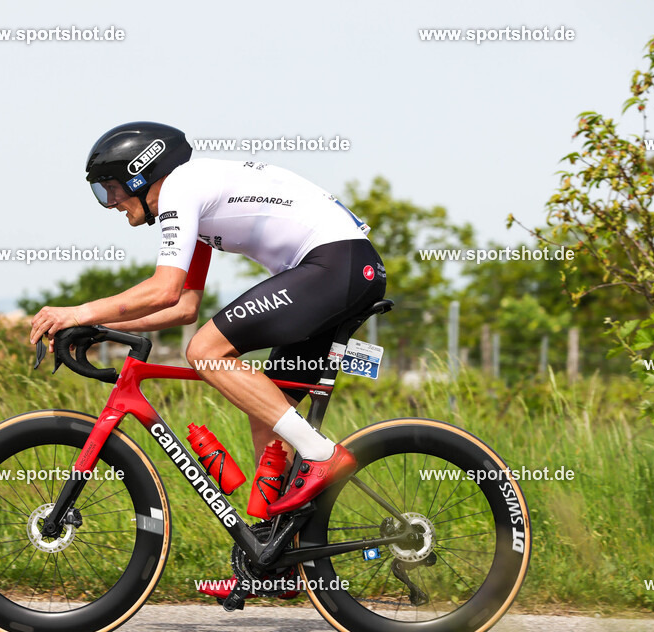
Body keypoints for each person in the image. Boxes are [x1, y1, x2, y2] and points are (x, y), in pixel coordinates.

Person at [29, 121, 386, 518]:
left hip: (335, 267)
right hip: (339, 270)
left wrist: (77, 312)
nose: (110, 202)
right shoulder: (193, 193)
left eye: (110, 188)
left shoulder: (181, 187)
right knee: (270, 419)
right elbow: (182, 306)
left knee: (205, 350)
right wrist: (98, 329)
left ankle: (323, 455)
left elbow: (163, 289)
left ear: (142, 173)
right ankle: (276, 562)